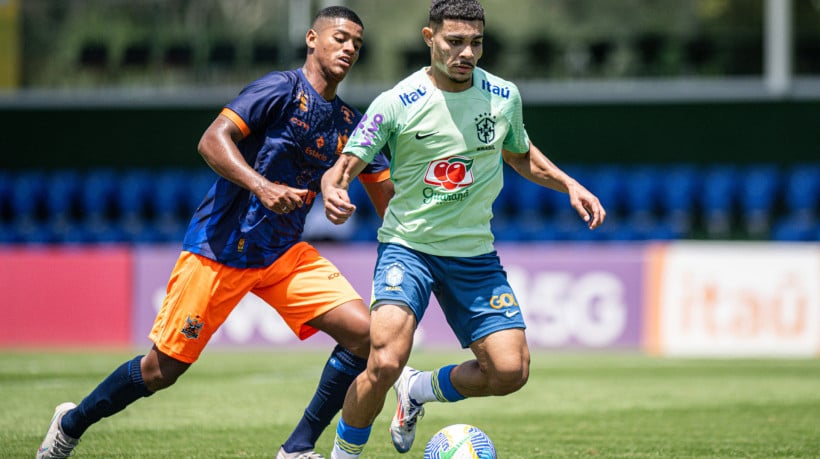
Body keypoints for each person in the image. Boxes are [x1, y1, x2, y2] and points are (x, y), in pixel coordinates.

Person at [36, 6, 392, 459]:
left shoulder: (348, 123)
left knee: (366, 336)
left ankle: (297, 448)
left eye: (357, 44)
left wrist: (355, 202)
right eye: (340, 37)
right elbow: (211, 140)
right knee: (161, 370)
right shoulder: (279, 90)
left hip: (282, 253)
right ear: (310, 38)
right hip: (221, 248)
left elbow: (385, 195)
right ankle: (70, 423)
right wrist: (261, 186)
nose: (349, 48)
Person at [320, 0, 606, 457]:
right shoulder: (397, 102)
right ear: (429, 38)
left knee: (510, 371)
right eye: (455, 42)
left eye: (475, 43)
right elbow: (346, 164)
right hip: (408, 247)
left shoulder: (502, 95)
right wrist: (334, 188)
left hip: (473, 254)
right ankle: (343, 455)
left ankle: (419, 391)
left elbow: (519, 153)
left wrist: (568, 184)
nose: (467, 53)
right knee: (385, 361)